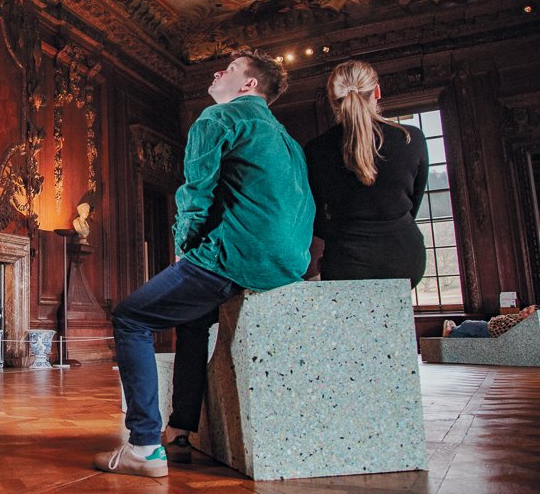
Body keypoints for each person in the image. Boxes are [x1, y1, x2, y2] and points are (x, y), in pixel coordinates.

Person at [93, 50, 315, 478]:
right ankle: (180, 430)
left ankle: (142, 446)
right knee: (192, 321)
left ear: (248, 85)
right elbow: (302, 207)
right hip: (286, 267)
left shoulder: (219, 119)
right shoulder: (288, 141)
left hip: (235, 258)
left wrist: (187, 248)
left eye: (230, 69)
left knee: (130, 318)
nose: (217, 72)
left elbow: (195, 194)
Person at [303, 60, 428, 286]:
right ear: (377, 91)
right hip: (405, 257)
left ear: (332, 101)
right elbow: (414, 201)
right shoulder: (412, 138)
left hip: (346, 261)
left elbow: (317, 218)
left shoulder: (316, 149)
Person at [443, 305, 538, 338]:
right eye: (527, 307)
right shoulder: (518, 317)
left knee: (467, 324)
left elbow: (506, 321)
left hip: (487, 329)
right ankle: (452, 334)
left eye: (528, 311)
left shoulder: (518, 324)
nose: (525, 309)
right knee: (467, 333)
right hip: (489, 326)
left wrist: (497, 318)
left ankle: (452, 330)